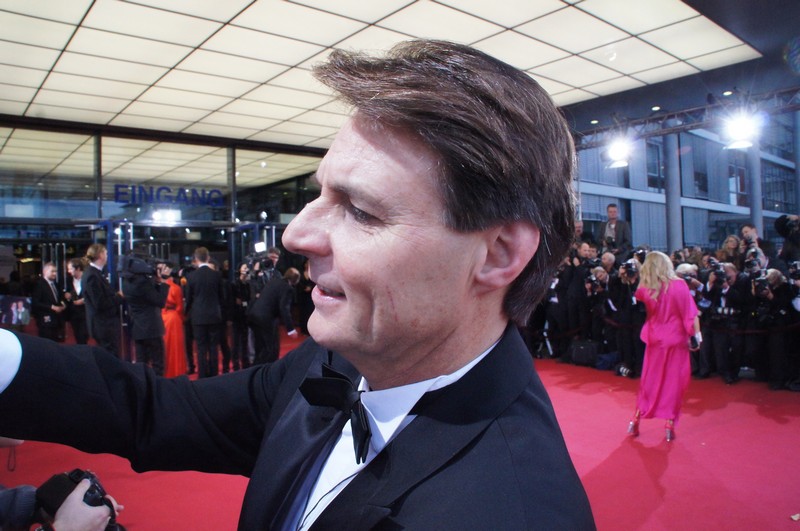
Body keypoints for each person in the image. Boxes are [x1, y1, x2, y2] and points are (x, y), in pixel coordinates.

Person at [0, 40, 594, 530]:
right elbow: (158, 410)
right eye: (319, 193)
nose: (296, 234)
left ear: (497, 254)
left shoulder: (515, 511)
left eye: (361, 211)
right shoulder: (333, 361)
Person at [627, 251, 701, 442]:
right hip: (676, 339)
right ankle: (669, 424)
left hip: (655, 339)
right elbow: (690, 314)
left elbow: (637, 297)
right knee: (674, 382)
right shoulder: (679, 285)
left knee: (649, 380)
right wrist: (695, 337)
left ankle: (635, 419)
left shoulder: (645, 289)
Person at [121, 259, 171, 376]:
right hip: (152, 329)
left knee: (141, 364)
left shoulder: (125, 283)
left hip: (138, 328)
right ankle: (157, 386)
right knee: (158, 364)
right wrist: (164, 281)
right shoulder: (143, 283)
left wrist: (157, 282)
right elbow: (160, 301)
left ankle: (143, 385)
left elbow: (149, 298)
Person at [184, 247, 225, 378]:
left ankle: (202, 375)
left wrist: (186, 313)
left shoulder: (191, 276)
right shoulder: (217, 275)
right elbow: (222, 297)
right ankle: (214, 375)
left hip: (198, 316)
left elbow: (188, 299)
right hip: (214, 315)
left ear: (196, 259)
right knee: (213, 347)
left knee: (201, 348)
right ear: (208, 258)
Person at [247, 268, 299, 364]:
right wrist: (290, 329)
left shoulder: (273, 281)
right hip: (266, 319)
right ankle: (268, 370)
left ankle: (257, 368)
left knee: (259, 347)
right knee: (270, 349)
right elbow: (284, 309)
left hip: (254, 315)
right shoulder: (287, 288)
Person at [82, 243, 123, 357]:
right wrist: (119, 297)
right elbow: (100, 303)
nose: (107, 256)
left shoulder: (94, 273)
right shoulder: (92, 275)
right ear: (100, 255)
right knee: (110, 357)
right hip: (103, 326)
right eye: (106, 253)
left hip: (104, 325)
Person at [30, 262, 65, 342]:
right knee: (47, 342)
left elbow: (59, 298)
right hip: (45, 320)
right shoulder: (39, 284)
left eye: (55, 271)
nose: (55, 274)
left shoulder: (55, 284)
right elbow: (35, 302)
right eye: (52, 271)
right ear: (45, 272)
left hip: (57, 320)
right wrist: (52, 307)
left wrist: (63, 305)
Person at [161, 271, 187, 378]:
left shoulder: (159, 288)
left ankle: (165, 372)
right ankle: (177, 372)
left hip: (162, 317)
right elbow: (180, 307)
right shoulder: (176, 288)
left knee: (164, 346)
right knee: (176, 348)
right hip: (174, 318)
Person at [64, 258, 89, 345]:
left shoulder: (87, 279)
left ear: (78, 268)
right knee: (77, 336)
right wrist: (67, 296)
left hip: (86, 313)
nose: (69, 271)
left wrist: (84, 300)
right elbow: (67, 294)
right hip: (74, 314)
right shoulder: (68, 281)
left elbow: (93, 294)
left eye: (70, 269)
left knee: (83, 336)